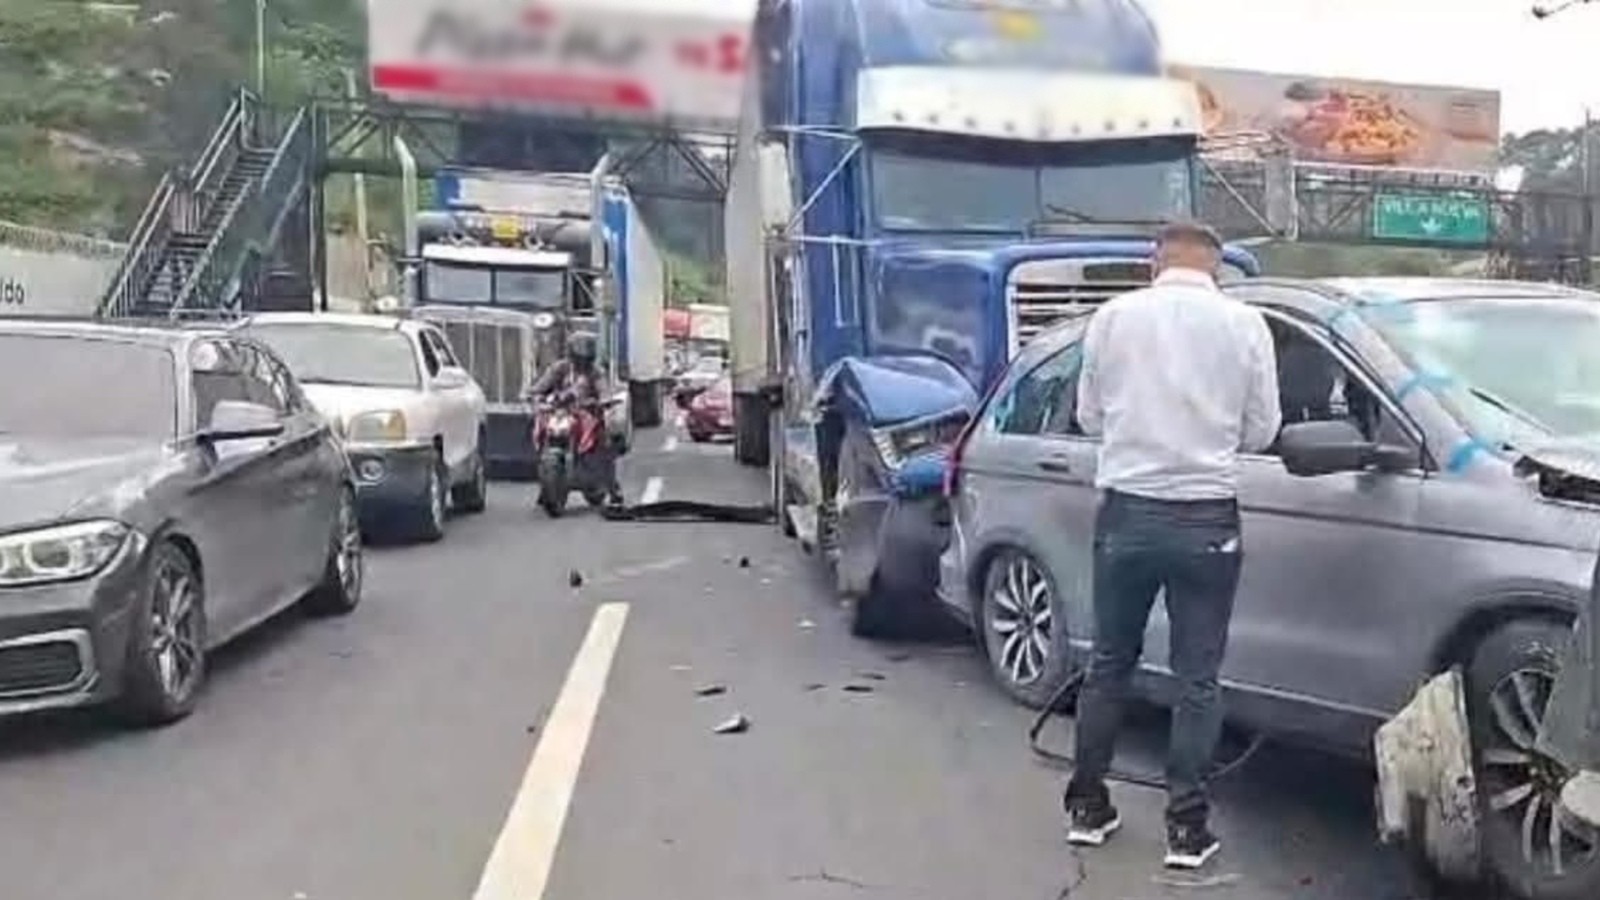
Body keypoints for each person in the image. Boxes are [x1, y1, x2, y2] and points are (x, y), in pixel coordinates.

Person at [1063, 220, 1281, 870]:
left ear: (1153, 260)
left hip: (1127, 513)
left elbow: (1088, 416)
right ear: (1216, 266)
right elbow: (1263, 430)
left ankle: (1087, 809)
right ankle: (1186, 831)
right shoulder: (1245, 325)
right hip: (1206, 517)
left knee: (1109, 664)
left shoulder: (1112, 317)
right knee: (1197, 680)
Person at [526, 332, 623, 506]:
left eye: (586, 354)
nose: (583, 359)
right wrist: (533, 395)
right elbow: (542, 385)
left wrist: (604, 400)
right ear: (571, 352)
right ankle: (546, 485)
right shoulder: (560, 368)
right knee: (539, 428)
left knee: (606, 439)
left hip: (587, 413)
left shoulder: (596, 372)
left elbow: (603, 389)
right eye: (580, 354)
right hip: (561, 412)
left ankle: (613, 488)